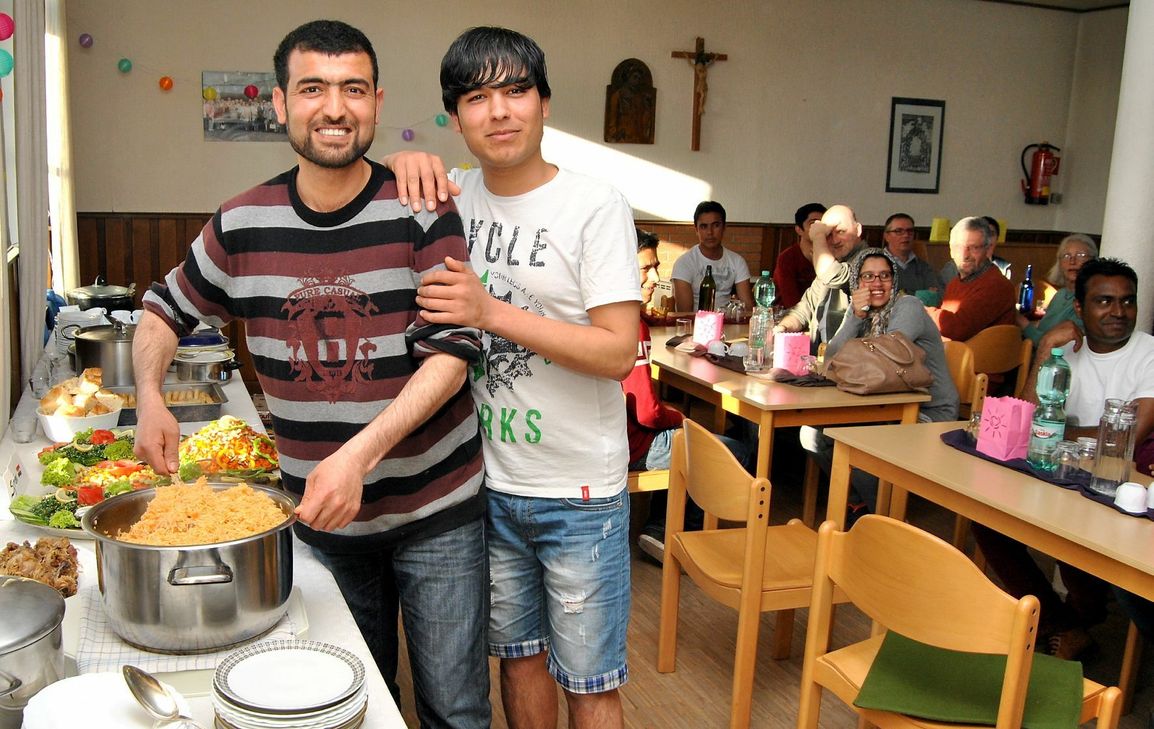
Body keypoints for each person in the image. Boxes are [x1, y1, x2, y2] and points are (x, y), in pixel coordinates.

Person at [131, 20, 490, 728]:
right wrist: (148, 397)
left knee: (454, 708)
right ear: (279, 104)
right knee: (344, 703)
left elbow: (451, 355)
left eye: (353, 89)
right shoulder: (240, 225)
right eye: (313, 89)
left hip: (435, 514)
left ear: (377, 103)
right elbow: (160, 310)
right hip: (321, 525)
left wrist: (356, 455)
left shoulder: (422, 208)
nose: (334, 108)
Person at [391, 27, 639, 729]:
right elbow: (365, 175)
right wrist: (401, 156)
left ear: (545, 104)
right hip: (484, 485)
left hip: (579, 492)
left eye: (516, 90)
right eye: (477, 97)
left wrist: (489, 310)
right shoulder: (449, 195)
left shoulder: (595, 204)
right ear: (456, 116)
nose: (499, 111)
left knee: (590, 681)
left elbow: (619, 351)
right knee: (519, 659)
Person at [972, 257, 1154, 660]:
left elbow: (1128, 437)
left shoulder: (1149, 355)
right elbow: (1023, 420)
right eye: (1104, 301)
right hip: (1059, 474)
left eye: (1127, 302)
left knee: (1079, 551)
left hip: (1115, 485)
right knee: (987, 518)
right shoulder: (1064, 348)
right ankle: (1063, 623)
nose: (1118, 312)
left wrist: (1056, 432)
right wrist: (1044, 351)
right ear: (1079, 307)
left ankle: (1076, 620)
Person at [800, 248, 958, 517]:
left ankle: (886, 521)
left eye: (884, 276)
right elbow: (832, 359)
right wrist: (854, 316)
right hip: (882, 407)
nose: (876, 284)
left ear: (894, 280)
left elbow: (889, 356)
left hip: (928, 412)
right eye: (868, 277)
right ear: (856, 283)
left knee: (864, 455)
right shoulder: (862, 312)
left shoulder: (907, 307)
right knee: (812, 434)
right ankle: (859, 503)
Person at [630, 229, 750, 562]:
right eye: (646, 268)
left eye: (656, 267)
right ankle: (674, 536)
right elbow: (646, 414)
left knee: (680, 434)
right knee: (733, 451)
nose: (656, 277)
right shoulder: (630, 323)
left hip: (602, 441)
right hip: (628, 445)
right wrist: (678, 417)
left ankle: (657, 527)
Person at [774, 204, 868, 350]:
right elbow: (803, 309)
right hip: (820, 357)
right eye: (828, 235)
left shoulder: (871, 261)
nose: (835, 240)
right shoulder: (833, 264)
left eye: (841, 231)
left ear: (858, 229)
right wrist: (784, 327)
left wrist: (818, 237)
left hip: (853, 360)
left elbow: (833, 275)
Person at [926, 216, 1016, 341]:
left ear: (988, 249)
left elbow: (957, 328)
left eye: (974, 248)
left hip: (980, 358)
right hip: (954, 354)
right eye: (959, 247)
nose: (965, 255)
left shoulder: (996, 285)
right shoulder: (955, 283)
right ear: (951, 251)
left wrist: (921, 311)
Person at [671, 201, 754, 312]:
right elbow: (685, 314)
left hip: (728, 324)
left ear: (724, 227)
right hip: (697, 325)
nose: (710, 232)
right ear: (696, 229)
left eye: (716, 225)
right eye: (704, 227)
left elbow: (747, 307)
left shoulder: (737, 261)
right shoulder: (684, 263)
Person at [1018, 233, 1098, 345]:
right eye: (1066, 256)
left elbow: (1052, 344)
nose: (1072, 261)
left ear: (1093, 260)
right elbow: (1045, 331)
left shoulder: (1088, 300)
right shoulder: (1060, 294)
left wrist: (1022, 322)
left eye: (1080, 255)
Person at [881, 212, 942, 305]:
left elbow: (936, 297)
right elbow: (881, 298)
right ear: (886, 236)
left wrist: (902, 295)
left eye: (910, 231)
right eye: (899, 231)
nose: (906, 235)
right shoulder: (876, 264)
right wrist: (921, 295)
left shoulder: (923, 267)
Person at [772, 202, 825, 308]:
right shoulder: (787, 258)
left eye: (823, 223)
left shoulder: (834, 256)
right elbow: (791, 302)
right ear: (799, 230)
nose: (819, 228)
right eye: (813, 223)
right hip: (790, 316)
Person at [940, 215, 1011, 282]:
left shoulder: (1003, 266)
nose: (988, 239)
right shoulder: (954, 266)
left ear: (997, 239)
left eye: (991, 234)